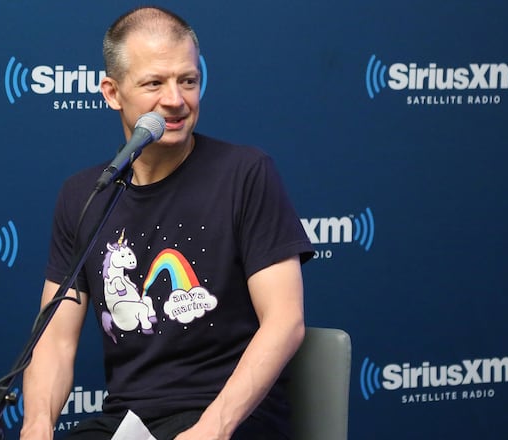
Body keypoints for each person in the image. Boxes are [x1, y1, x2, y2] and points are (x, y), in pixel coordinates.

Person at [21, 6, 313, 440]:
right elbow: (56, 339)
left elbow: (285, 321)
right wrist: (37, 425)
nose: (175, 100)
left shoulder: (245, 172)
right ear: (112, 92)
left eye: (188, 81)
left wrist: (212, 429)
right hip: (127, 422)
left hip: (228, 418)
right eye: (154, 83)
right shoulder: (85, 194)